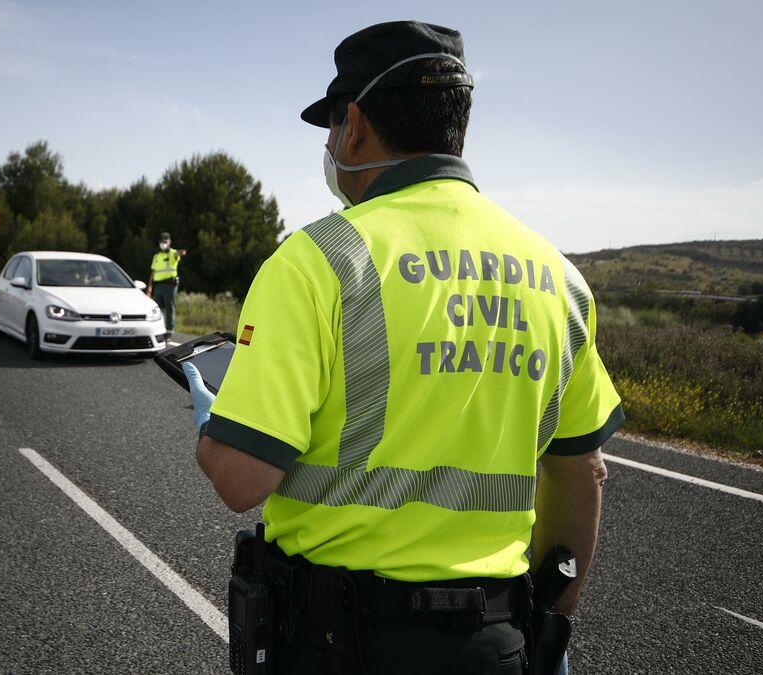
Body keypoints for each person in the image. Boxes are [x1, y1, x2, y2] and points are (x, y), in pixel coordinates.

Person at [182, 21, 623, 673]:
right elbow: (581, 472)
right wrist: (551, 627)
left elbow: (242, 478)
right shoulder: (559, 276)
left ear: (353, 124)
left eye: (331, 127)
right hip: (496, 643)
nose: (332, 144)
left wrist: (211, 422)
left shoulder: (319, 260)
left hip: (337, 643)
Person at [147, 232, 187, 336]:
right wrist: (150, 287)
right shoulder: (156, 256)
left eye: (165, 241)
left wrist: (181, 253)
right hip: (158, 286)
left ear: (169, 242)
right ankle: (158, 328)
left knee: (169, 307)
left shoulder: (172, 253)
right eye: (162, 242)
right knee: (157, 308)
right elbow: (153, 272)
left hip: (170, 285)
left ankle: (169, 330)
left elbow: (178, 253)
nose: (163, 244)